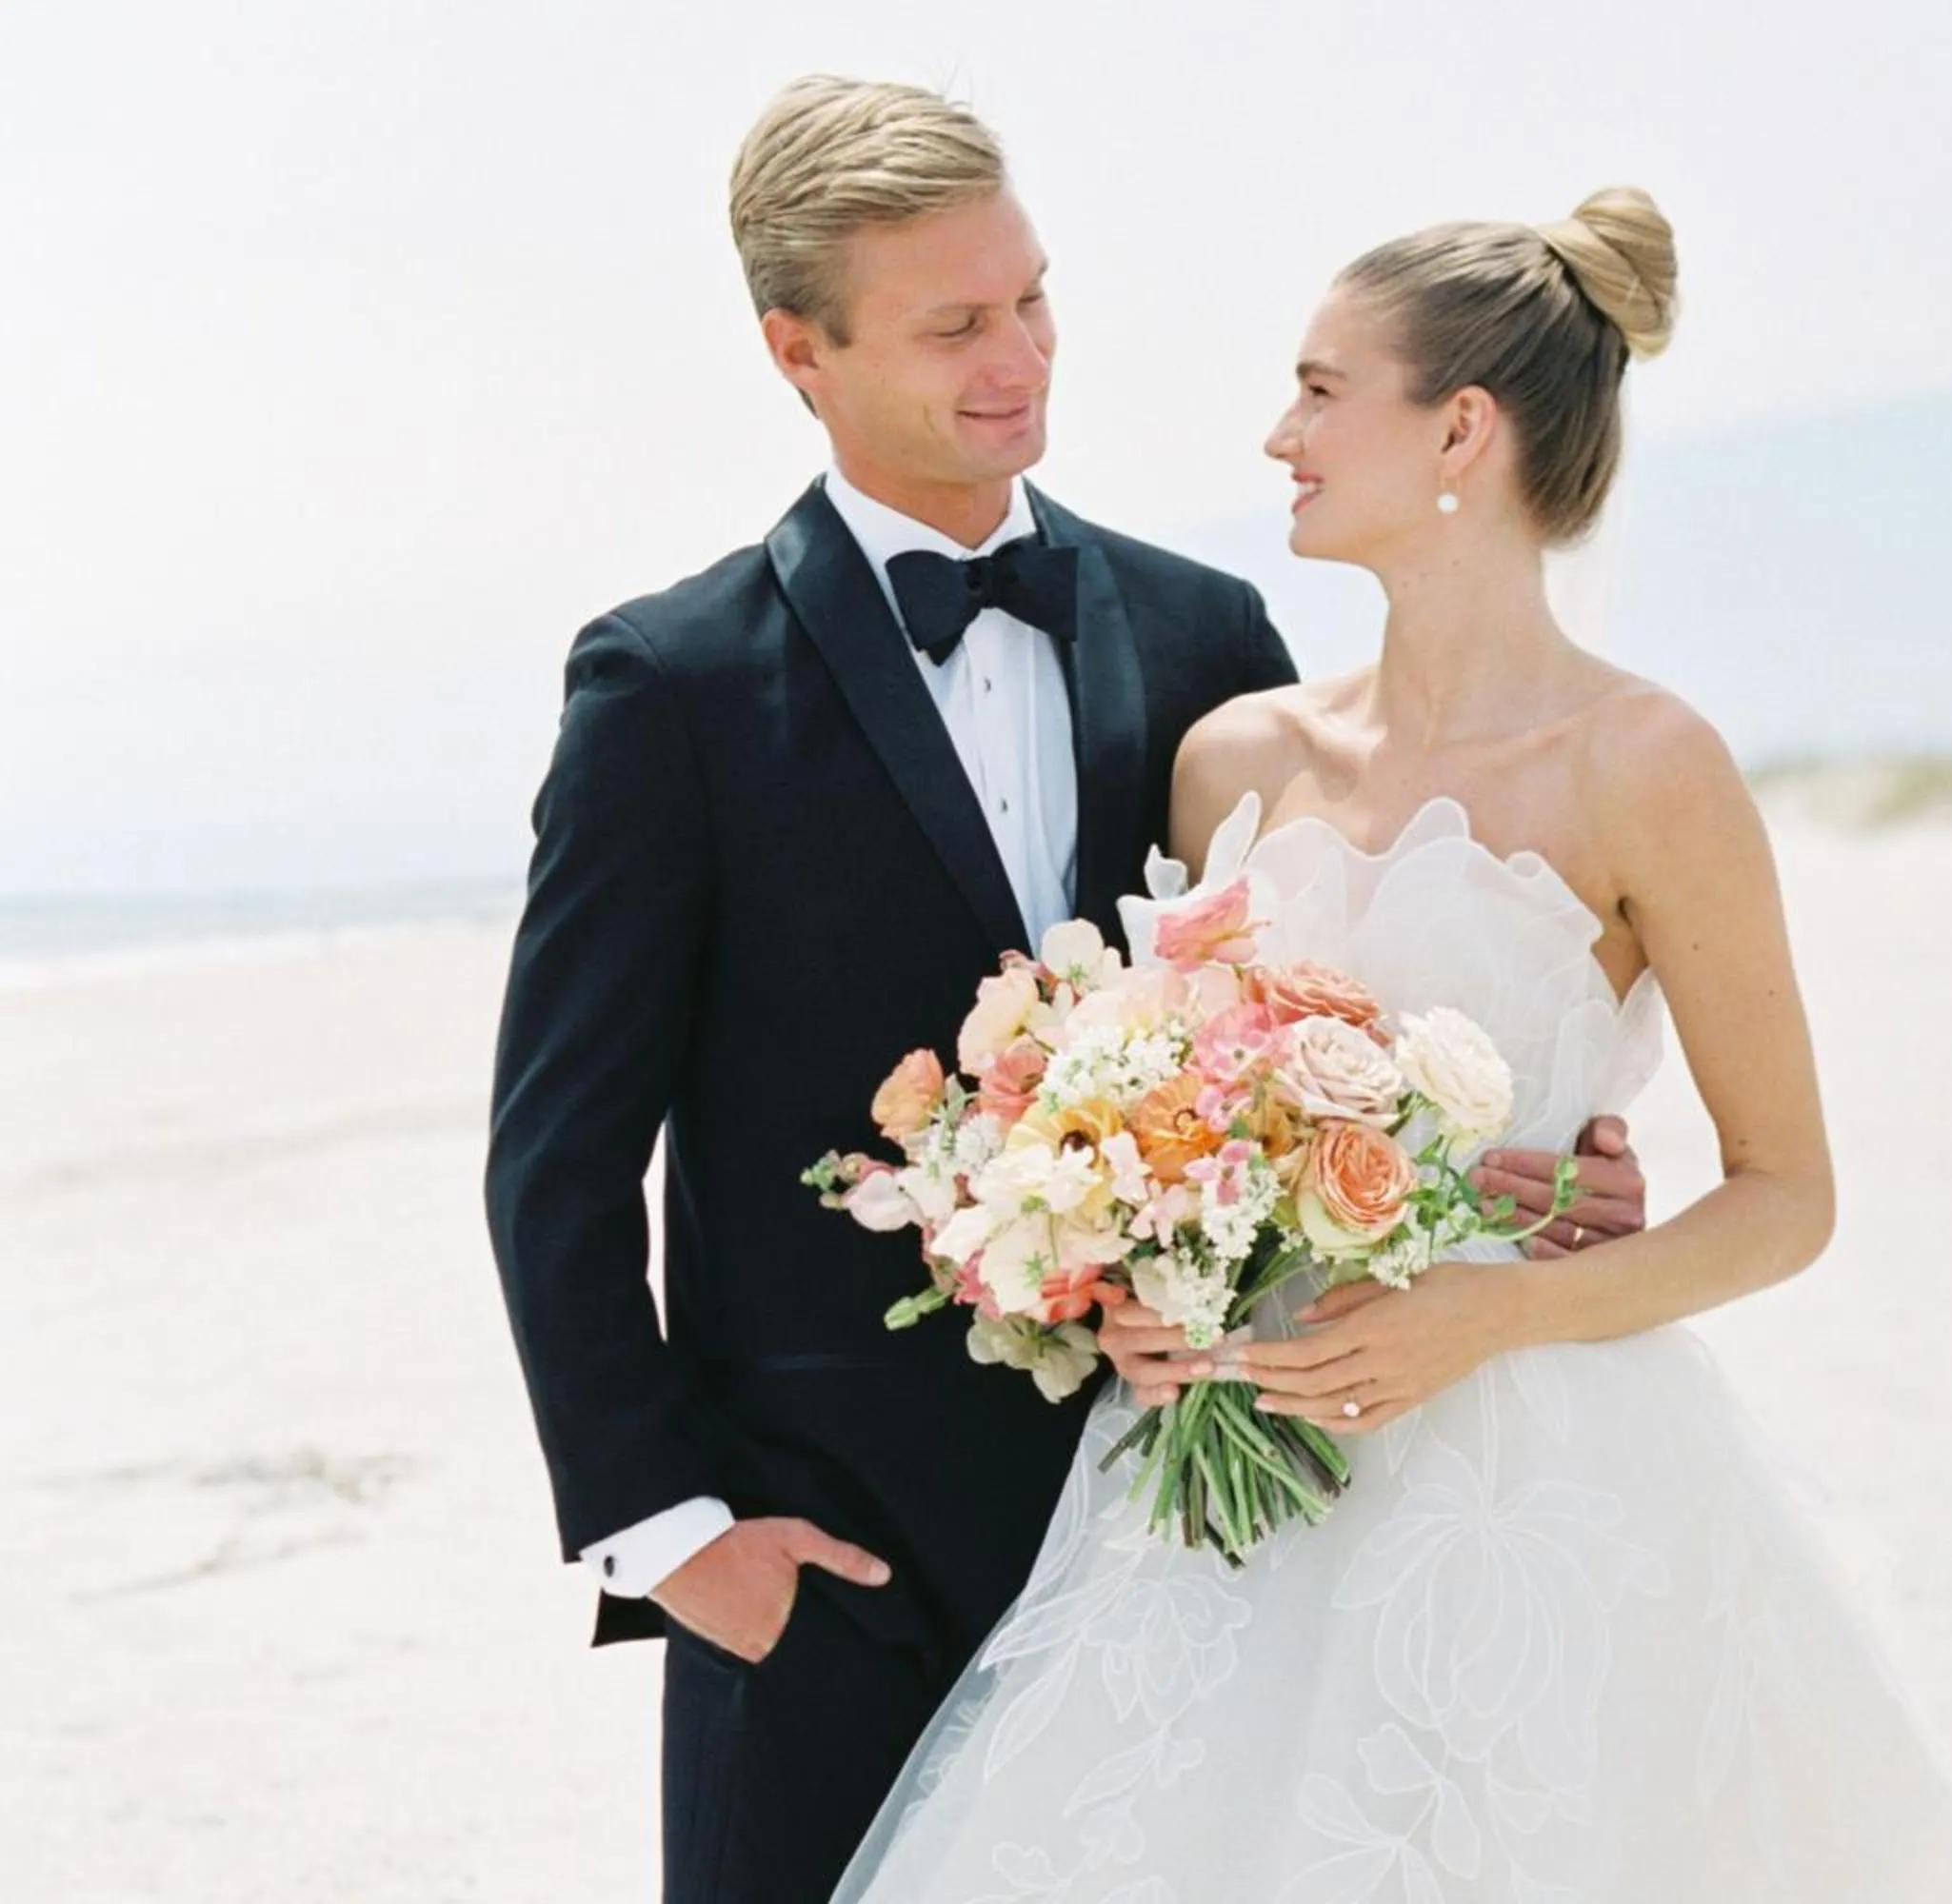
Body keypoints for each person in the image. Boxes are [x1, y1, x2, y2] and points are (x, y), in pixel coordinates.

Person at [482, 78, 1646, 1904]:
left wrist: (1525, 1168)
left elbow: (1317, 1027)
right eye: (954, 325)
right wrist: (673, 1536)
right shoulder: (669, 686)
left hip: (1187, 1527)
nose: (1019, 355)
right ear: (801, 352)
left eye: (1030, 297)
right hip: (825, 1570)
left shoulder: (1204, 640)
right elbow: (555, 1158)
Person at [829, 189, 1952, 1901]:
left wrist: (1499, 1306)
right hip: (1229, 1482)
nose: (1278, 434)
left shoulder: (1648, 765)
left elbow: (1785, 1196)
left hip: (1535, 1467)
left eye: (1322, 390)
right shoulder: (1235, 759)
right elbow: (1169, 1118)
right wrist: (1140, 1291)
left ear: (1461, 427)